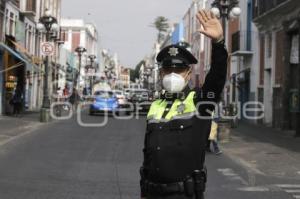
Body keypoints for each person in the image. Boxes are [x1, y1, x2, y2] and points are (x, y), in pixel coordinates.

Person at [140, 10, 228, 199]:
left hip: (183, 195)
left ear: (188, 73)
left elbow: (217, 78)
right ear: (161, 73)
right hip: (151, 192)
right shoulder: (156, 105)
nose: (173, 74)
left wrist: (219, 44)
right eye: (167, 69)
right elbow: (148, 154)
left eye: (179, 69)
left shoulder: (200, 100)